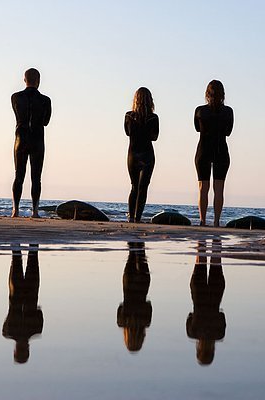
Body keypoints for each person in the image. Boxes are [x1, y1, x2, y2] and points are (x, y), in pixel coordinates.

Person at [11, 68, 52, 218]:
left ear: (24, 80)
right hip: (37, 139)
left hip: (20, 139)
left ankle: (15, 209)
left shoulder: (15, 97)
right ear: (38, 81)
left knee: (19, 175)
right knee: (36, 177)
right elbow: (46, 122)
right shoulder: (45, 100)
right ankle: (35, 211)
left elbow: (18, 116)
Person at [194, 80, 234, 227]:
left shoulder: (200, 110)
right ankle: (216, 221)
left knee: (203, 188)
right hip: (221, 149)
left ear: (207, 94)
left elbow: (197, 129)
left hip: (203, 150)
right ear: (222, 94)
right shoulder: (228, 111)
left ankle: (202, 220)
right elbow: (228, 132)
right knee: (219, 189)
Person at [186, 239, 226, 365]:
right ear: (198, 350)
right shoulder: (192, 333)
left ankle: (216, 234)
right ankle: (205, 233)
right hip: (198, 294)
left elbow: (221, 316)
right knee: (200, 260)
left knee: (216, 260)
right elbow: (190, 316)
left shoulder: (219, 334)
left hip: (215, 295)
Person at [2, 246, 44, 364]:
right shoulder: (8, 332)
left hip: (27, 291)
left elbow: (39, 312)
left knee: (30, 258)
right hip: (21, 292)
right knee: (19, 258)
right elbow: (39, 312)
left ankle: (23, 232)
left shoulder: (36, 330)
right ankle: (20, 232)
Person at [124, 87, 159, 223]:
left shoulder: (128, 116)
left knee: (134, 186)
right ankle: (138, 217)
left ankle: (131, 217)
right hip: (147, 154)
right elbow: (154, 137)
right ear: (150, 100)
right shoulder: (153, 117)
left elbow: (127, 132)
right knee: (143, 188)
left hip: (132, 154)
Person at [117, 242, 152, 352]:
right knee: (131, 255)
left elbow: (149, 306)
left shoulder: (145, 322)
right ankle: (135, 232)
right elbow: (120, 306)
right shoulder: (122, 322)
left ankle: (138, 233)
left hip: (143, 286)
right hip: (128, 286)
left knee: (141, 255)